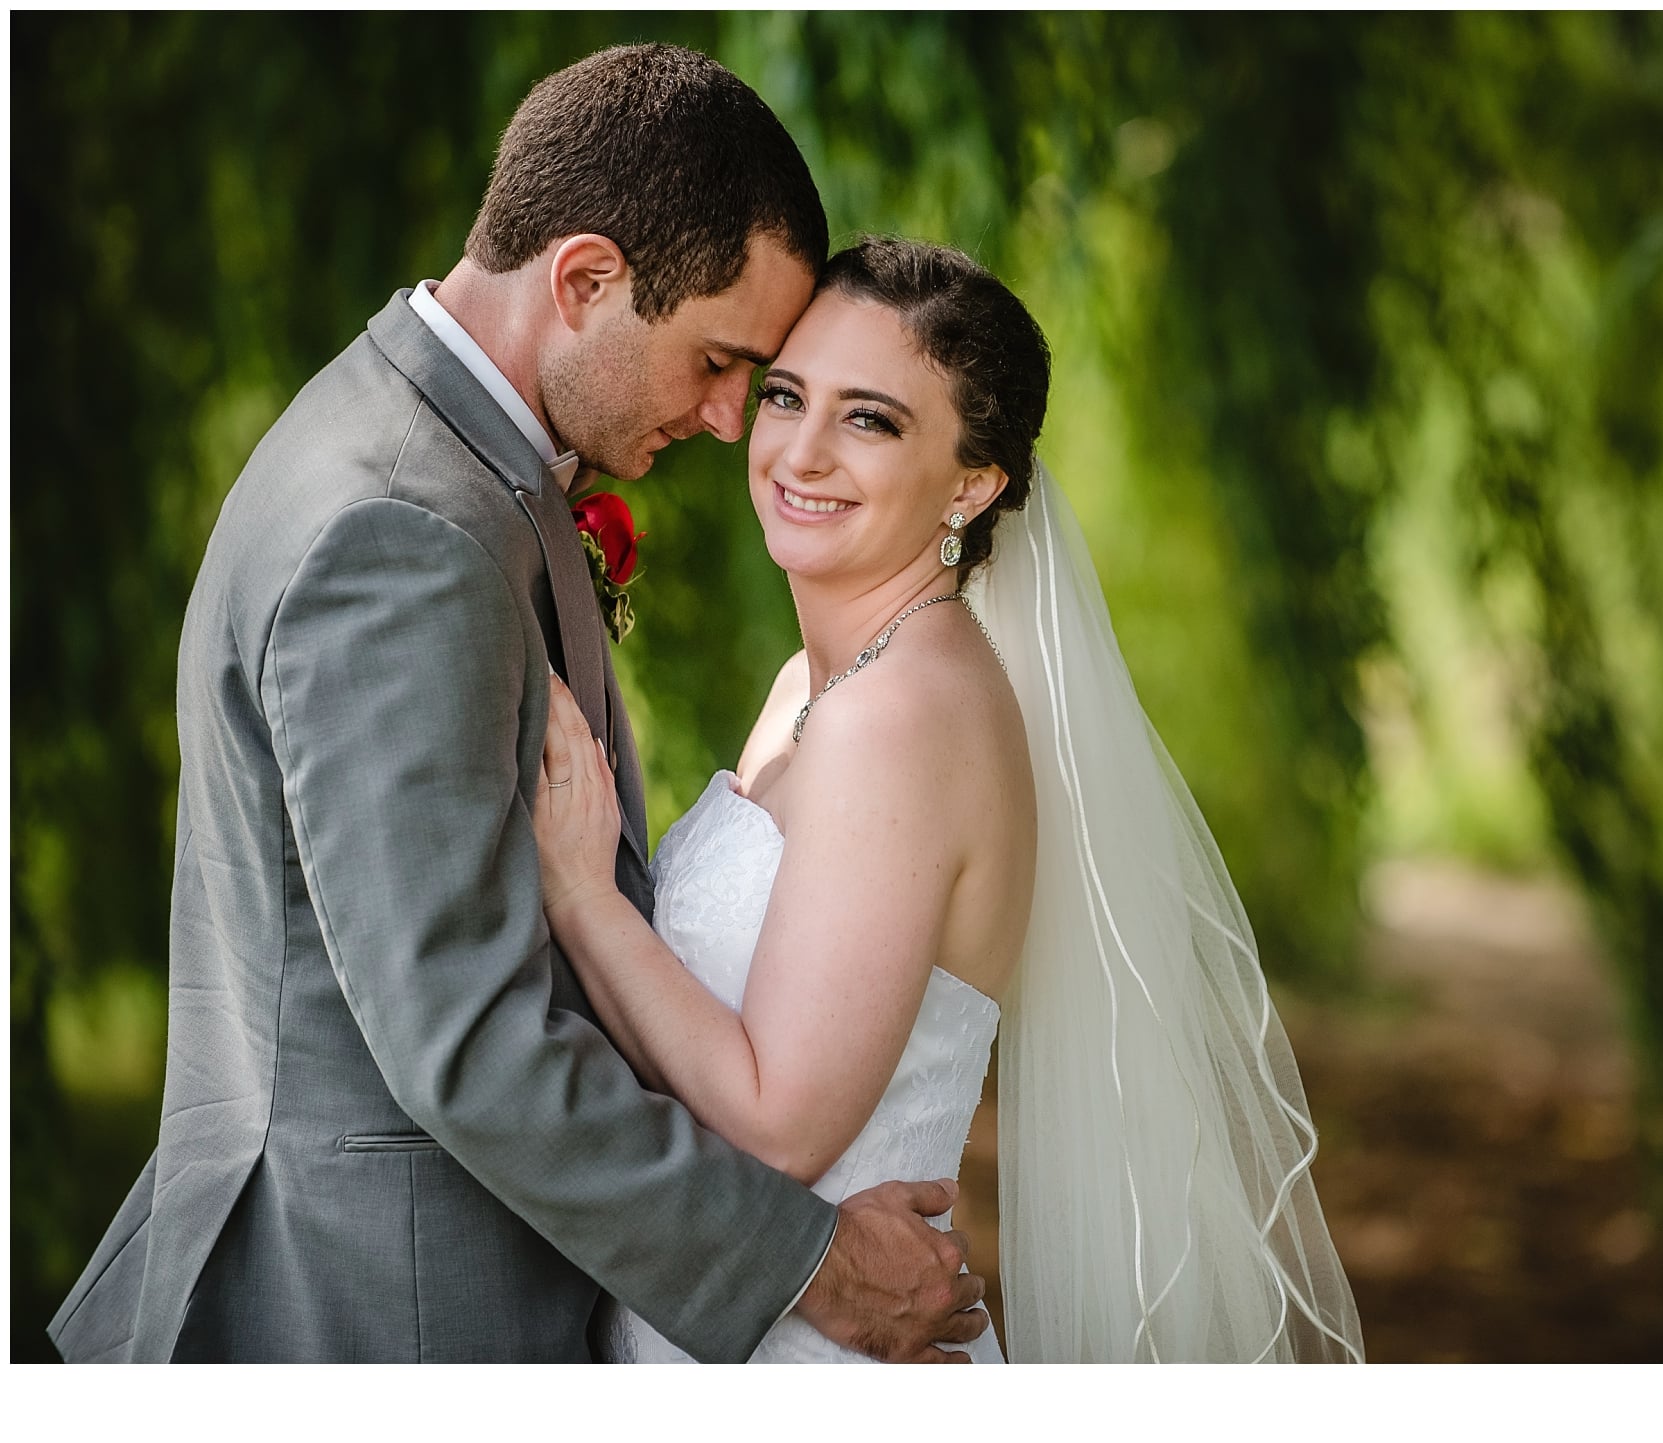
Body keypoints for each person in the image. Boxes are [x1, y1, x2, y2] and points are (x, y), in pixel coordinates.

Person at [48, 45, 986, 1364]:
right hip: (382, 1315)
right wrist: (809, 1262)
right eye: (722, 361)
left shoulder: (436, 464)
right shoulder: (403, 530)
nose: (733, 423)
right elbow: (471, 1038)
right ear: (587, 278)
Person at [534, 237, 1368, 1362]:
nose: (801, 450)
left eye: (869, 419)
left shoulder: (908, 717)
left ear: (972, 484)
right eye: (785, 394)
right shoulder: (814, 690)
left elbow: (778, 1120)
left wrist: (584, 898)